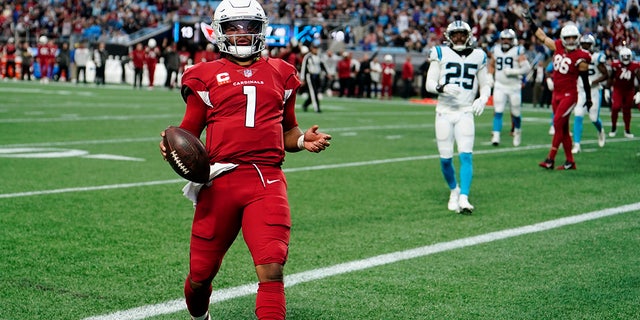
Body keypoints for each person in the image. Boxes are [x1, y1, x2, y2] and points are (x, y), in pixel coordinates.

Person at [158, 0, 332, 319]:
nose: (242, 34)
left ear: (262, 30)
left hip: (267, 180)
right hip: (220, 180)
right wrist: (172, 145)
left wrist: (302, 139)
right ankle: (200, 316)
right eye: (234, 27)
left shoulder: (281, 72)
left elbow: (289, 131)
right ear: (220, 32)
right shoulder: (204, 74)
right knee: (200, 276)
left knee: (272, 270)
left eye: (250, 26)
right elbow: (188, 133)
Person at [425, 20, 491, 214]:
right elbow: (430, 83)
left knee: (466, 155)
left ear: (469, 35)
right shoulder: (440, 52)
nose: (459, 37)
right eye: (455, 34)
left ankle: (464, 197)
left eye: (463, 34)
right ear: (449, 37)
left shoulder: (479, 55)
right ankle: (454, 190)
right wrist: (442, 87)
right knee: (445, 159)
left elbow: (485, 83)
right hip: (444, 111)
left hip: (465, 111)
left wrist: (484, 97)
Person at [522, 9, 592, 170]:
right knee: (564, 129)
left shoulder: (581, 56)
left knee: (557, 122)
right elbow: (542, 37)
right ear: (563, 38)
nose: (571, 40)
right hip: (557, 94)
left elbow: (585, 79)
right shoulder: (558, 46)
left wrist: (588, 98)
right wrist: (531, 22)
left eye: (574, 37)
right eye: (568, 37)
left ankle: (550, 159)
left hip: (569, 95)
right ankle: (570, 161)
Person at [488, 29, 530, 147]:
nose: (506, 41)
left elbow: (527, 68)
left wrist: (513, 71)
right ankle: (496, 135)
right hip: (500, 85)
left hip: (514, 86)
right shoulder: (495, 50)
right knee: (498, 110)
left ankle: (517, 131)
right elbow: (491, 64)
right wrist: (490, 76)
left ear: (513, 40)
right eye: (504, 39)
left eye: (508, 39)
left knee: (516, 112)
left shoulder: (517, 51)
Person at [571, 34, 608, 153]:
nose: (585, 47)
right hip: (581, 90)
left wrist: (593, 81)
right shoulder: (577, 56)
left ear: (592, 45)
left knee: (593, 118)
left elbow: (606, 74)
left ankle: (600, 129)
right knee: (578, 115)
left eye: (588, 44)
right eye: (583, 44)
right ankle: (576, 144)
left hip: (594, 90)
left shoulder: (597, 57)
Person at [607, 47, 640, 138]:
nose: (625, 59)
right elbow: (611, 77)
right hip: (618, 89)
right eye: (624, 57)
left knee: (627, 110)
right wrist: (607, 89)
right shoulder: (615, 65)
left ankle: (627, 130)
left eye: (627, 57)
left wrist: (639, 92)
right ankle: (613, 128)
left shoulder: (635, 65)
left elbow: (639, 79)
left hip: (629, 90)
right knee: (615, 107)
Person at [300, 43, 326, 112]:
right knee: (313, 92)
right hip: (310, 76)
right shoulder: (308, 57)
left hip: (317, 76)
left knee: (315, 92)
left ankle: (305, 105)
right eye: (314, 48)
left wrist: (326, 73)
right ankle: (317, 108)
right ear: (311, 49)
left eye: (316, 48)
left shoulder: (319, 57)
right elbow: (304, 67)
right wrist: (302, 78)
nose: (315, 50)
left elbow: (322, 65)